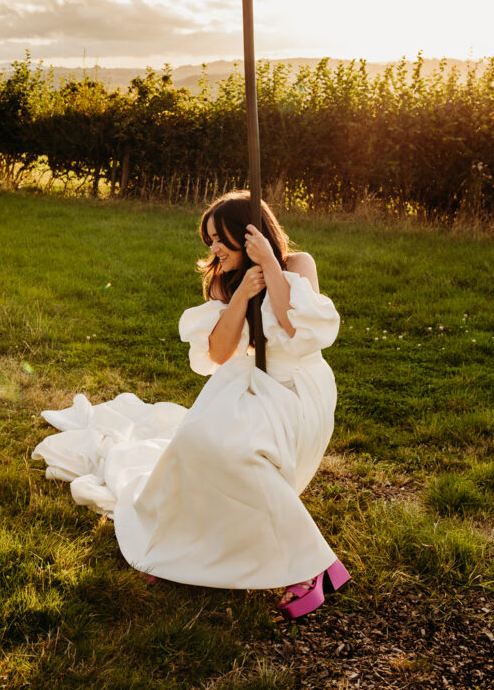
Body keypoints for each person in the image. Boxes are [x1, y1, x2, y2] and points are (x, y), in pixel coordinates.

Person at [31, 190, 350, 619]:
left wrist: (270, 268)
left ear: (248, 232)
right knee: (195, 444)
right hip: (249, 382)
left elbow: (297, 329)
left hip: (298, 388)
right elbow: (218, 355)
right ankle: (179, 550)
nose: (214, 248)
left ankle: (312, 568)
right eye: (210, 241)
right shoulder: (224, 280)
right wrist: (239, 298)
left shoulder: (298, 265)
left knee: (241, 458)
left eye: (220, 238)